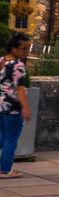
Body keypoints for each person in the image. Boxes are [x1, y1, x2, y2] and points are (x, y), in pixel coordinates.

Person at [1, 32, 32, 179]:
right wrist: (25, 108)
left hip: (0, 105)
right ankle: (5, 169)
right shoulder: (18, 65)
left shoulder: (1, 60)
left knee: (2, 137)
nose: (26, 52)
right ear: (14, 49)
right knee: (11, 138)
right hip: (12, 107)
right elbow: (19, 89)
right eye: (24, 49)